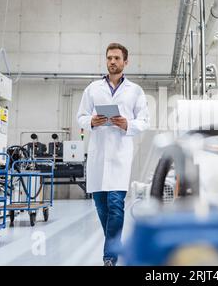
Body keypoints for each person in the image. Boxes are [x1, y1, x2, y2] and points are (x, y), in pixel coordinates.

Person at [77, 43, 149, 266]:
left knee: (116, 206)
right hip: (98, 156)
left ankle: (110, 256)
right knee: (102, 207)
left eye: (117, 58)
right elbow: (80, 116)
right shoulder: (93, 89)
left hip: (120, 156)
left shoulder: (135, 91)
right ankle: (114, 244)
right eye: (109, 58)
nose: (112, 62)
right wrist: (91, 121)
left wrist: (127, 123)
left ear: (125, 62)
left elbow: (144, 121)